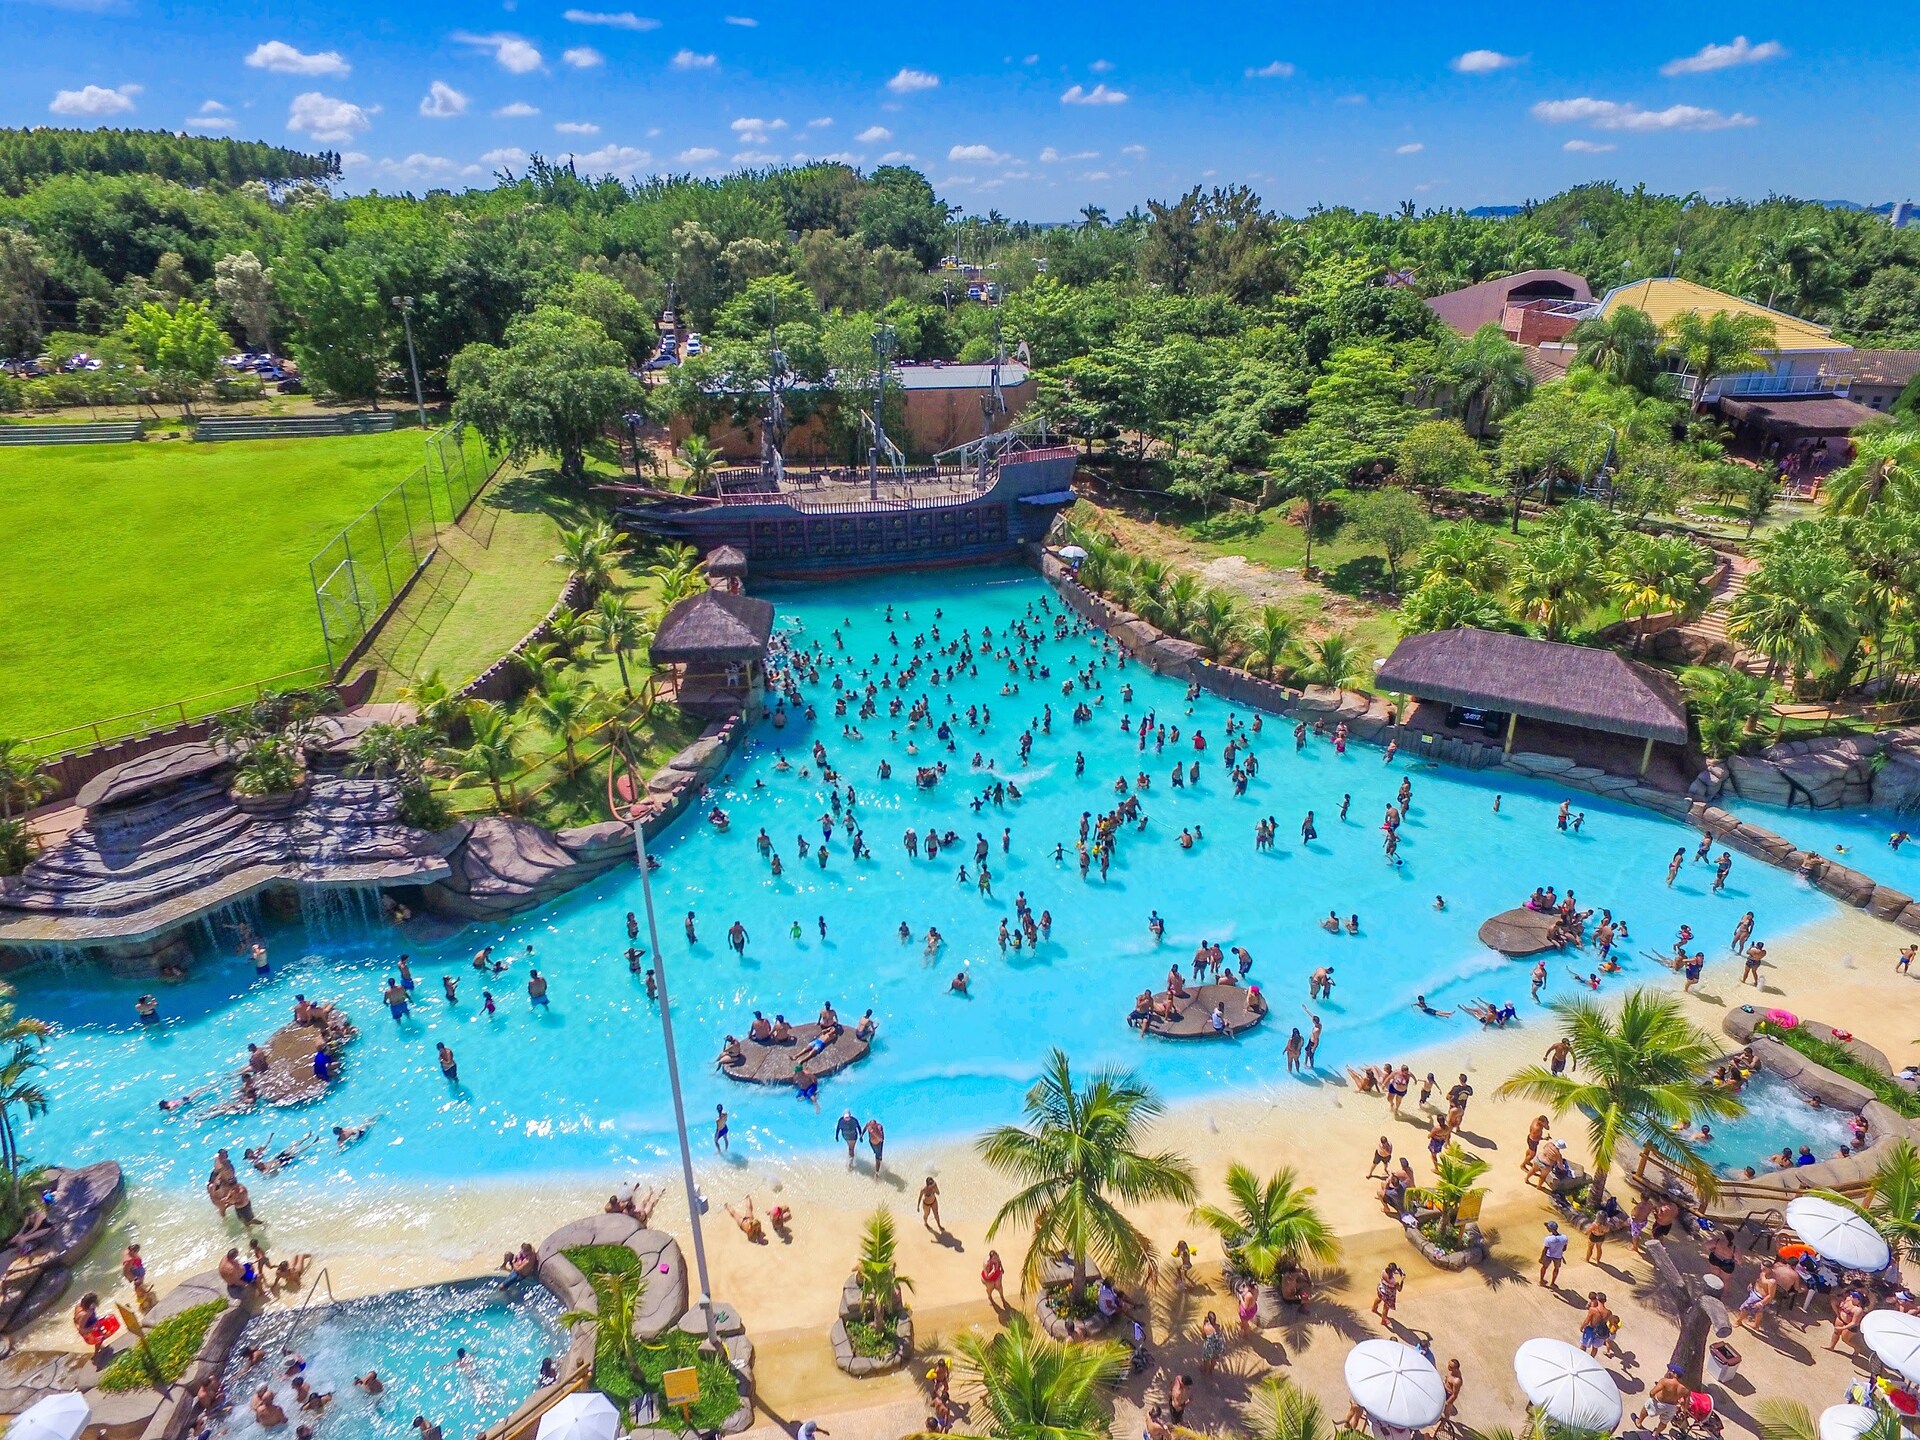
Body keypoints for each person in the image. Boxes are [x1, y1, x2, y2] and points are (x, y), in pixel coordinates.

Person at [1539, 1220, 1568, 1287]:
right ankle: (1552, 1284)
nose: (1547, 1228)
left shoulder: (1548, 1239)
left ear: (1550, 1229)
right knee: (1556, 1269)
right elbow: (1564, 1249)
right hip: (1558, 1256)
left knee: (1544, 1267)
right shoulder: (1564, 1237)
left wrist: (1541, 1258)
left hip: (1548, 1255)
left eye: (1548, 1228)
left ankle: (1541, 1281)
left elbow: (1545, 1250)